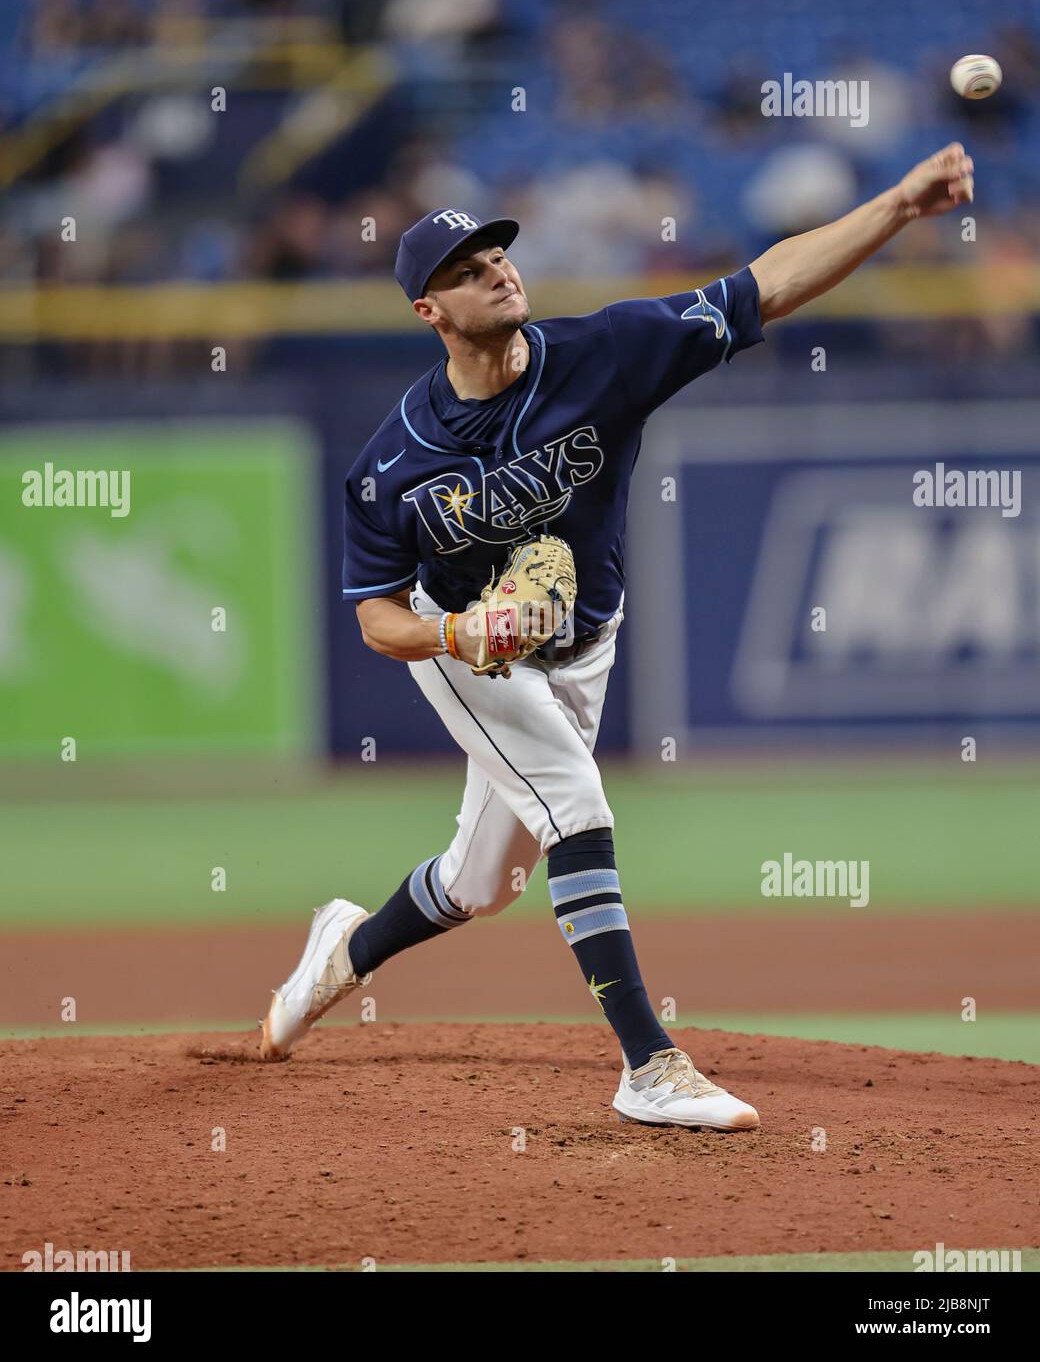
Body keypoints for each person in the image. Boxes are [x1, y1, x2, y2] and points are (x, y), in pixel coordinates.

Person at [260, 145, 975, 1130]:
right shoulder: (392, 461)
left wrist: (895, 205)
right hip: (467, 648)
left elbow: (762, 286)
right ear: (429, 313)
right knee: (573, 803)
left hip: (583, 643)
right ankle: (648, 1060)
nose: (497, 271)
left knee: (479, 885)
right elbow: (376, 615)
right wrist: (460, 636)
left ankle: (343, 946)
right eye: (466, 271)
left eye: (497, 255)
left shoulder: (604, 351)